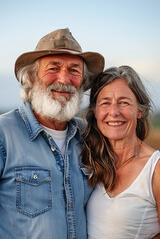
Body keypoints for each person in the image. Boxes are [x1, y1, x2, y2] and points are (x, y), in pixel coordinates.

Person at [0, 28, 104, 239]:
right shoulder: (3, 134)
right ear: (31, 78)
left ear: (83, 82)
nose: (64, 79)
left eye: (74, 70)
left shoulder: (90, 135)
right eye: (53, 68)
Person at [81, 66, 160, 239]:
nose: (114, 112)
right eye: (105, 103)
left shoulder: (155, 169)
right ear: (95, 111)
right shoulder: (89, 160)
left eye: (124, 102)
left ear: (140, 110)